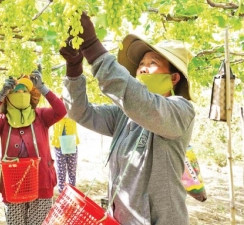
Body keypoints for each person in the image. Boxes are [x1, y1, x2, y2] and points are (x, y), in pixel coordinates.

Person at [59, 12, 195, 225]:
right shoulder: (124, 116)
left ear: (173, 78)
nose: (142, 67)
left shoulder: (181, 111)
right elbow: (79, 112)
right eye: (141, 63)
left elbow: (139, 101)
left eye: (152, 63)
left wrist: (93, 47)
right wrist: (74, 70)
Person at [0, 70, 66, 225]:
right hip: (13, 186)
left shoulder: (41, 116)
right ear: (8, 97)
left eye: (24, 90)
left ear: (31, 94)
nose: (20, 93)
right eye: (15, 91)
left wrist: (43, 87)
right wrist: (0, 94)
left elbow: (61, 110)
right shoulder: (3, 121)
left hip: (41, 184)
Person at [51, 114, 80, 194]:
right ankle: (62, 195)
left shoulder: (72, 105)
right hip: (59, 144)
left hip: (72, 143)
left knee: (72, 172)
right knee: (61, 172)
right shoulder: (55, 105)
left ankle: (72, 195)